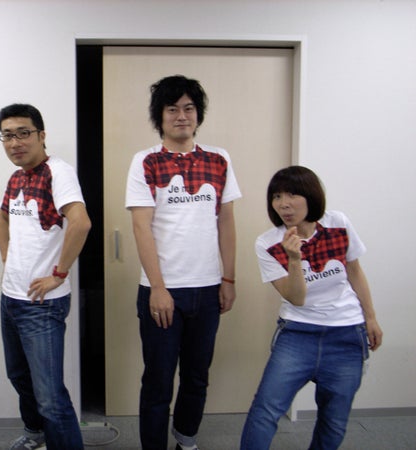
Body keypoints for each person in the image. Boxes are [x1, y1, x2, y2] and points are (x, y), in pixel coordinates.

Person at [125, 75, 241, 450]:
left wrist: (228, 279)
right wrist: (158, 288)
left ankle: (186, 439)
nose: (181, 116)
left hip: (207, 289)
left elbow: (226, 221)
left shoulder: (219, 159)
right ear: (159, 117)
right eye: (172, 109)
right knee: (158, 380)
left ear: (198, 114)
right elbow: (141, 227)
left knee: (197, 376)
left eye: (189, 108)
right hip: (162, 290)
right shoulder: (146, 161)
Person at [240, 165, 383, 450]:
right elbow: (296, 298)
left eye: (292, 194)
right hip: (297, 334)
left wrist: (370, 317)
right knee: (265, 410)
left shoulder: (338, 223)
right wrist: (294, 259)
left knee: (334, 420)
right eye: (277, 196)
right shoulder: (268, 244)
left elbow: (354, 271)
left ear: (311, 195)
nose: (283, 204)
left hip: (347, 334)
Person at [0, 103, 91, 450]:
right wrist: (8, 258)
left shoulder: (57, 172)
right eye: (8, 135)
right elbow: (2, 217)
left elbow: (80, 223)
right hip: (11, 297)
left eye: (23, 133)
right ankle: (35, 435)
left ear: (41, 135)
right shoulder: (17, 177)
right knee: (19, 377)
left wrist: (58, 274)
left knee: (50, 396)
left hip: (42, 304)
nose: (15, 142)